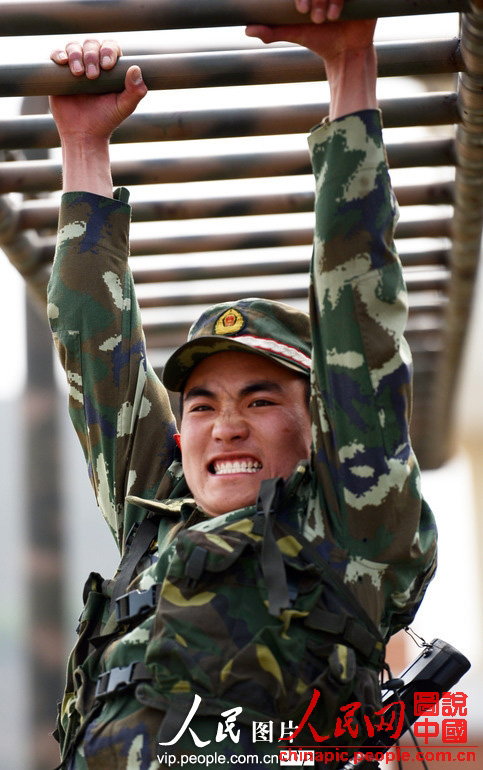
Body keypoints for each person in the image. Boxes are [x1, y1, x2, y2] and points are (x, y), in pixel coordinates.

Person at [47, 2, 437, 768]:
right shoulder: (153, 520)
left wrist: (349, 65)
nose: (225, 426)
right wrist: (83, 147)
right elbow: (94, 349)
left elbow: (358, 317)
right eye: (202, 406)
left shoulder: (347, 532)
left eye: (260, 401)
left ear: (315, 426)